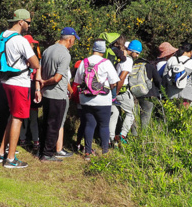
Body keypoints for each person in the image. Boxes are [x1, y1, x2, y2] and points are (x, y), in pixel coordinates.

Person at [0, 9, 40, 169]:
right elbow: (36, 64)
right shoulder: (21, 40)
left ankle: (0, 153)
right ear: (21, 22)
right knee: (18, 119)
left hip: (6, 81)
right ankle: (11, 159)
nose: (29, 25)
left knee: (12, 117)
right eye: (28, 22)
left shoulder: (3, 36)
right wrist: (29, 62)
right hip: (20, 83)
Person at [74, 40, 120, 161]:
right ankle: (105, 152)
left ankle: (87, 153)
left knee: (89, 124)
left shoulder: (84, 62)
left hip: (85, 99)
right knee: (104, 125)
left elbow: (77, 81)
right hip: (103, 99)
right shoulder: (106, 62)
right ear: (103, 51)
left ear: (93, 49)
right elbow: (114, 81)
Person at [38, 27, 78, 162]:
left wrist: (41, 85)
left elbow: (40, 69)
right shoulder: (65, 54)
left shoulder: (48, 50)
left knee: (46, 123)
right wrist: (45, 82)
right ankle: (47, 154)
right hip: (58, 94)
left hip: (46, 94)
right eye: (74, 41)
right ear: (70, 40)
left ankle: (42, 151)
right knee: (54, 126)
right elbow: (57, 78)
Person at [109, 40, 140, 143]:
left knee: (114, 114)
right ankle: (122, 135)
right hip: (121, 91)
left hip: (112, 89)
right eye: (137, 53)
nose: (138, 55)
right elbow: (122, 78)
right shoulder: (128, 60)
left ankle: (110, 139)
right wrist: (116, 93)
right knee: (131, 113)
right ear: (133, 51)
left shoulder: (121, 57)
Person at [19, 34, 41, 151]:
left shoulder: (28, 57)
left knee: (30, 116)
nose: (33, 45)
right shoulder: (26, 58)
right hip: (29, 88)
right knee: (28, 117)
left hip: (29, 88)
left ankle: (31, 139)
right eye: (32, 43)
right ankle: (29, 139)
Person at [133, 49, 162, 131]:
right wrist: (158, 90)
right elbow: (158, 80)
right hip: (148, 94)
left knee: (133, 117)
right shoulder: (149, 66)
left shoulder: (132, 66)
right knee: (145, 117)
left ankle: (134, 135)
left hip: (134, 94)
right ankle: (143, 136)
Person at [165, 42, 192, 108]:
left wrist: (163, 92)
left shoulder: (171, 60)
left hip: (171, 94)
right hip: (186, 95)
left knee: (171, 115)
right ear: (190, 52)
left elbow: (165, 77)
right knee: (183, 116)